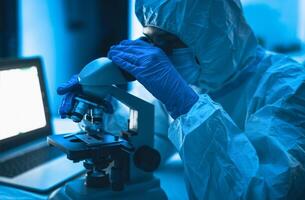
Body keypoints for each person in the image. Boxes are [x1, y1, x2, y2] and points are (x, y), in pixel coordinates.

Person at [57, 0, 305, 199]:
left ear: (215, 34)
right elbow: (154, 145)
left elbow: (267, 192)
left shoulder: (289, 87)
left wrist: (188, 107)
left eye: (168, 42)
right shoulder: (187, 80)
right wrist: (106, 102)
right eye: (151, 39)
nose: (159, 53)